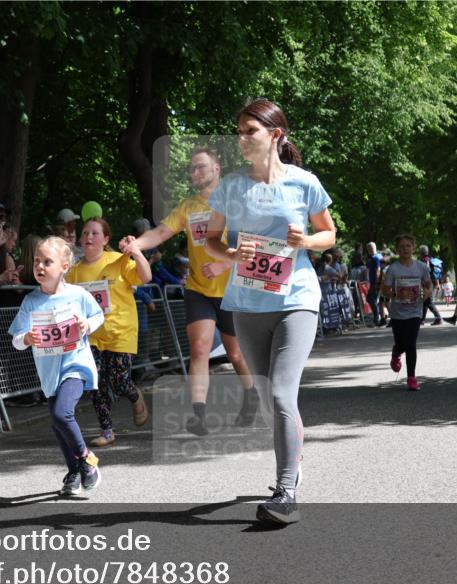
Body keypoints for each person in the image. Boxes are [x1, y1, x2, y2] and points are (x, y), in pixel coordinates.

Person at [204, 98, 336, 526]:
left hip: (296, 300)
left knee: (281, 394)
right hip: (247, 302)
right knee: (268, 399)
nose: (242, 139)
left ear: (275, 135)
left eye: (251, 131)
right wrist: (230, 253)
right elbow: (211, 241)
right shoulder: (230, 187)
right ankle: (293, 458)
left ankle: (286, 492)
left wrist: (306, 242)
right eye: (239, 132)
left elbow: (329, 234)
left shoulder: (304, 183)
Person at [119, 147, 258, 436]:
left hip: (232, 290)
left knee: (235, 354)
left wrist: (223, 265)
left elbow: (253, 247)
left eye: (201, 167)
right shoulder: (188, 207)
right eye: (192, 169)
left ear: (217, 168)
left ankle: (251, 394)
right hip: (198, 289)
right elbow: (160, 233)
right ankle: (199, 415)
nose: (195, 172)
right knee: (199, 348)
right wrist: (135, 245)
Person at [8, 236, 105, 496]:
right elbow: (16, 339)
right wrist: (27, 339)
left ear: (64, 266)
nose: (39, 266)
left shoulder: (78, 295)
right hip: (49, 372)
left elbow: (98, 316)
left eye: (47, 262)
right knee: (57, 422)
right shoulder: (31, 301)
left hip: (75, 365)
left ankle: (86, 460)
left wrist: (86, 324)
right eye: (36, 261)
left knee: (62, 414)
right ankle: (74, 472)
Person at [67, 218, 153, 448]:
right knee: (95, 382)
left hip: (121, 331)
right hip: (92, 335)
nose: (88, 237)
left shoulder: (118, 260)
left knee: (118, 381)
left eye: (94, 233)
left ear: (105, 239)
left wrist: (136, 253)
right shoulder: (74, 272)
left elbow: (146, 277)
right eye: (85, 233)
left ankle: (135, 395)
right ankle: (107, 431)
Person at [381, 234, 432, 391]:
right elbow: (385, 290)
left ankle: (411, 378)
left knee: (411, 344)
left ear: (413, 248)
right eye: (402, 246)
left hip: (415, 311)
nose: (405, 249)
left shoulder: (421, 267)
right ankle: (396, 352)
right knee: (401, 344)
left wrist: (427, 292)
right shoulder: (393, 269)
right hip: (397, 313)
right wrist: (397, 294)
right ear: (397, 249)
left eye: (408, 246)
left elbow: (429, 285)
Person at [417, 245, 443, 325]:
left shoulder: (423, 261)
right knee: (425, 301)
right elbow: (434, 273)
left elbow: (424, 273)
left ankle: (438, 318)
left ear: (421, 252)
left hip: (428, 283)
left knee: (428, 301)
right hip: (432, 282)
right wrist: (437, 283)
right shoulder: (431, 259)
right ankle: (422, 320)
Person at [365, 242, 387, 326]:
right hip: (379, 282)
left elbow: (378, 269)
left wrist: (377, 282)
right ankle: (382, 315)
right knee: (376, 300)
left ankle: (376, 319)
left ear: (369, 249)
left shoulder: (375, 258)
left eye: (368, 249)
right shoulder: (380, 256)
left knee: (372, 299)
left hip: (375, 282)